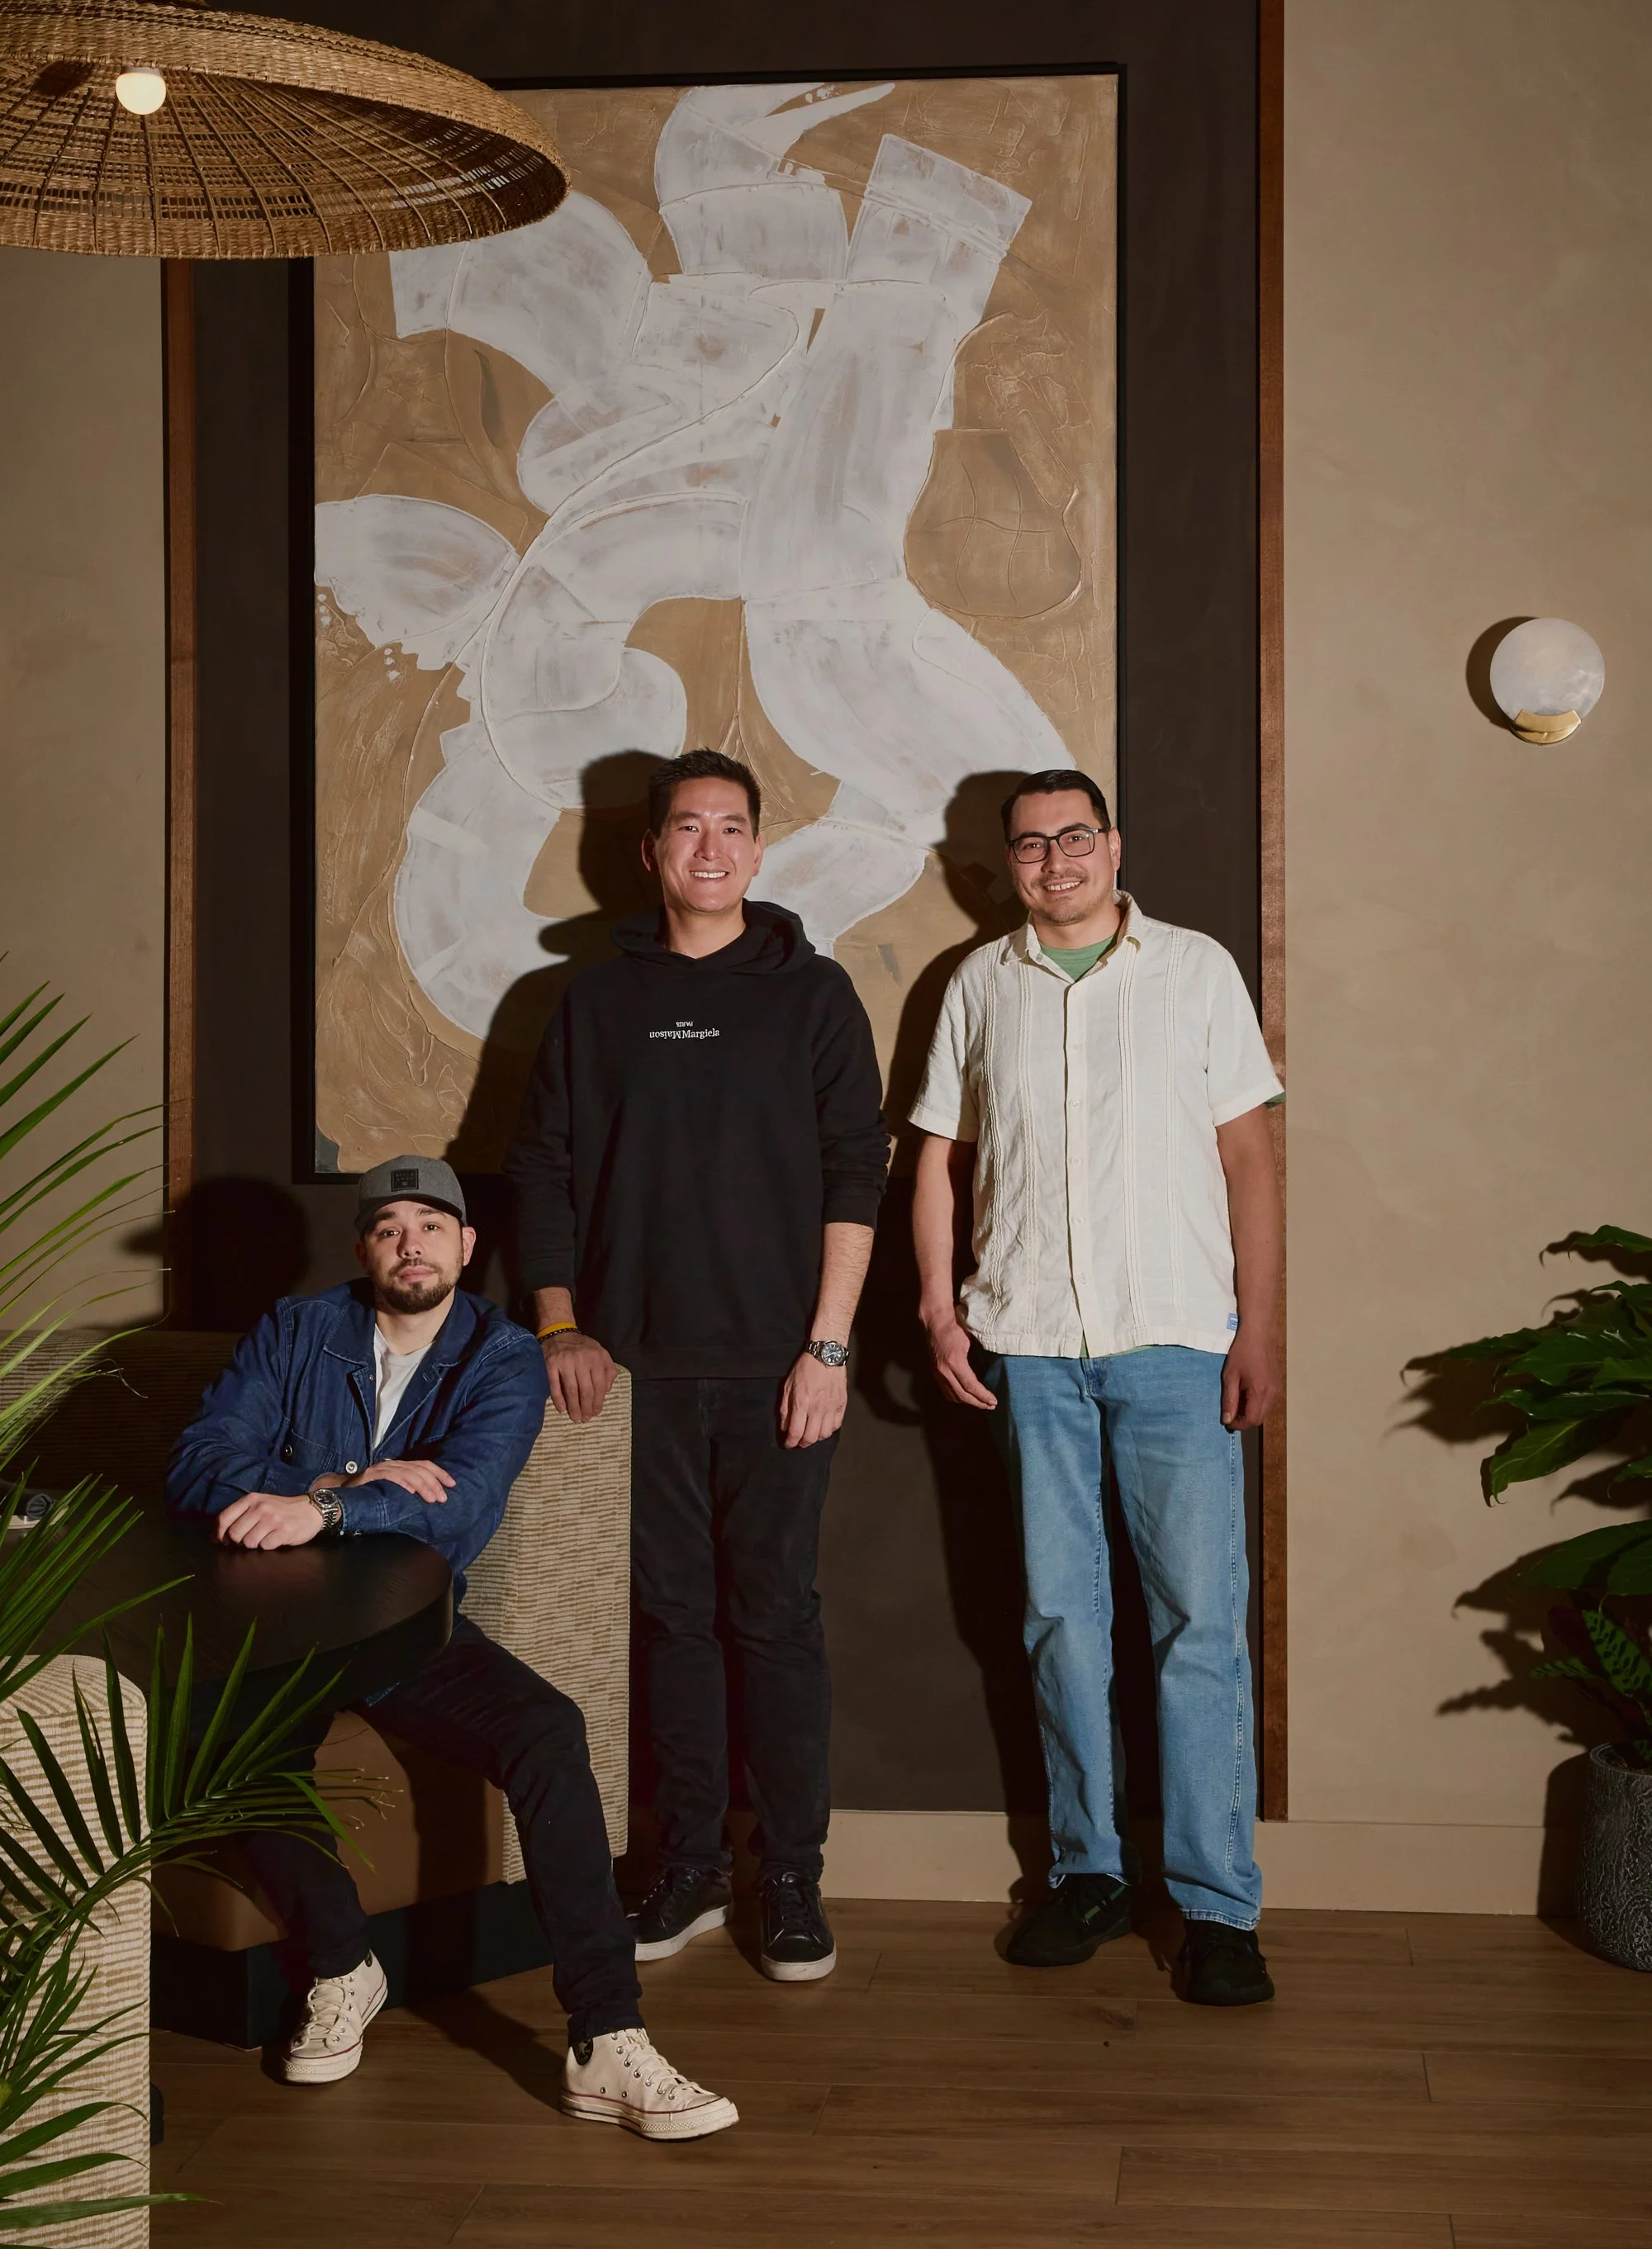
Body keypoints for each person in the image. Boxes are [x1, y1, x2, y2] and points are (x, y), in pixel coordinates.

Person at [164, 1153, 738, 2138]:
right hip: (273, 1628)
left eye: (431, 1226)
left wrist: (315, 1507)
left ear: (467, 1245)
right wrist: (342, 1486)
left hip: (402, 1628)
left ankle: (606, 2037)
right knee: (232, 1751)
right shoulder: (296, 1330)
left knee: (547, 1730)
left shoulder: (501, 1357)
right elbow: (195, 1465)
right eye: (389, 1228)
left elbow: (460, 1506)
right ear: (363, 1248)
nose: (411, 1245)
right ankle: (340, 1964)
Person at [505, 750, 889, 1984]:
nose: (710, 848)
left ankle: (790, 1875)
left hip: (783, 1365)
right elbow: (545, 1169)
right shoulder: (593, 1001)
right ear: (651, 852)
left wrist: (827, 1346)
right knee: (670, 1622)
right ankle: (688, 1866)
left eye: (731, 827)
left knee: (773, 1619)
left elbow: (856, 1171)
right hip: (635, 1374)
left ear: (758, 852)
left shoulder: (814, 994)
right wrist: (560, 1326)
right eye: (687, 827)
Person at [909, 768, 1284, 2006]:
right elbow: (938, 1156)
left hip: (1173, 1339)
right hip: (1028, 1347)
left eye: (1075, 837)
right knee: (1059, 1619)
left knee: (1197, 1625)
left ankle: (1216, 1907)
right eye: (1030, 845)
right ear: (1005, 864)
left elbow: (1248, 1153)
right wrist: (937, 1306)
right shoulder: (978, 984)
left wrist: (1260, 1327)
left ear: (1113, 847)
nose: (1055, 860)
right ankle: (1088, 1873)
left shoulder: (1195, 969)